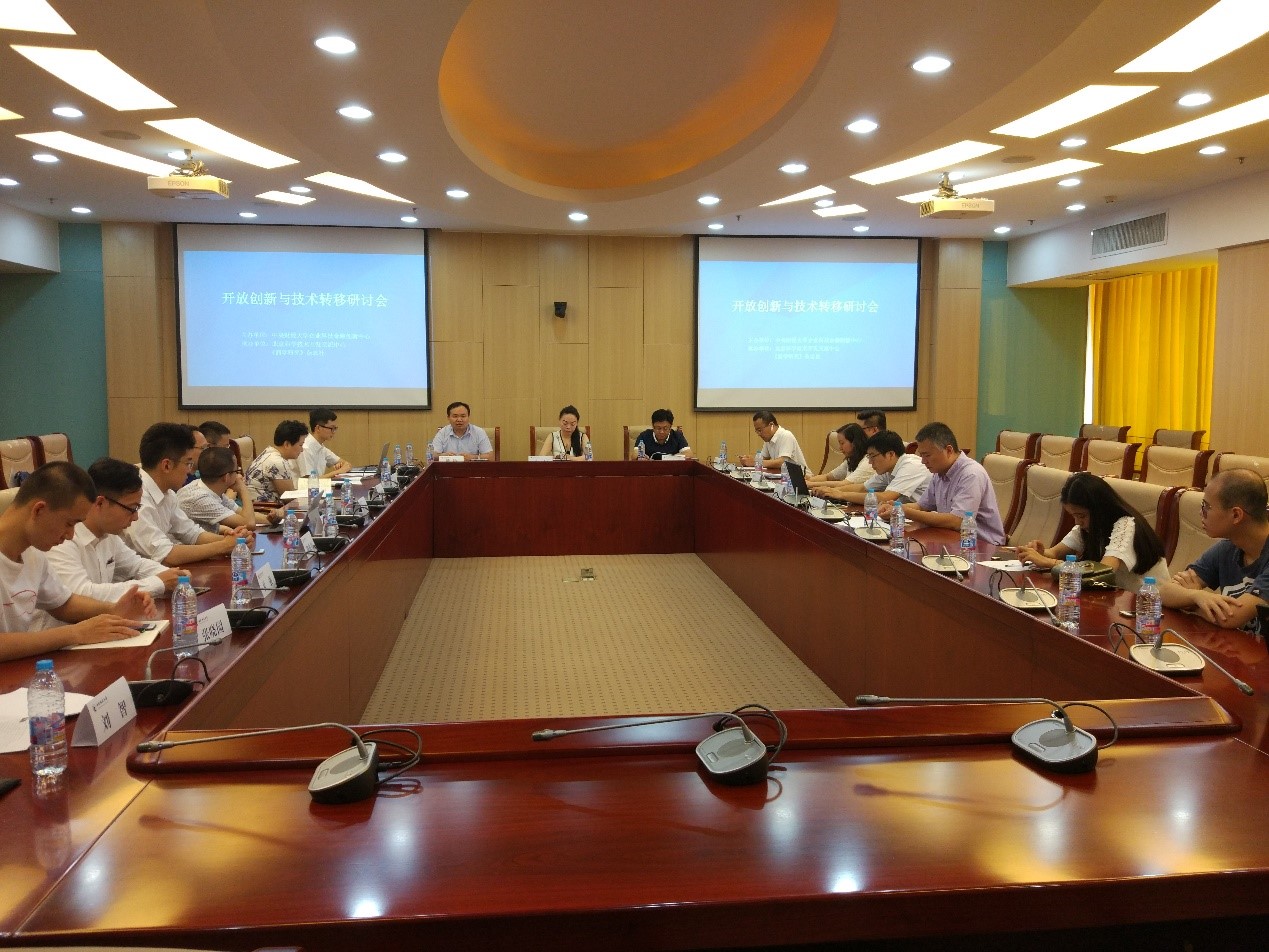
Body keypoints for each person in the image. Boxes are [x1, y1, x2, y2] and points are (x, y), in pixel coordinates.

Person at [0, 461, 153, 662]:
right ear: (39, 510)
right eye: (69, 523)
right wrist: (75, 633)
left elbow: (63, 603)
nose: (71, 535)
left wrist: (112, 609)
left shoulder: (33, 554)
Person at [45, 457, 183, 606]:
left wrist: (174, 576)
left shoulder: (109, 534)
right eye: (132, 508)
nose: (136, 517)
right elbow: (82, 593)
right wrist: (158, 583)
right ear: (100, 503)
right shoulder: (62, 538)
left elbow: (136, 566)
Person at [1016, 471, 1169, 592]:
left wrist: (1048, 562)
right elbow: (1054, 553)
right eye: (1074, 516)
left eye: (1081, 516)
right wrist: (1040, 553)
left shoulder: (1126, 525)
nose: (1077, 522)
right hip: (1117, 598)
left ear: (1099, 509)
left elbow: (1103, 570)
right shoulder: (1089, 527)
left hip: (1150, 604)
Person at [1161, 469, 1269, 632]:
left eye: (1206, 507)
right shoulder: (1227, 548)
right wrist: (1197, 596)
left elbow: (1230, 617)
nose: (1201, 513)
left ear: (1236, 515)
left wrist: (1189, 602)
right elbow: (1164, 592)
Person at [126, 422, 248, 566]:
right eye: (188, 463)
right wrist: (224, 546)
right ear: (167, 465)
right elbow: (167, 555)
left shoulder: (168, 493)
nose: (190, 471)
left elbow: (191, 533)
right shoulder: (135, 498)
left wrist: (237, 541)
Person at [880, 422, 1006, 545]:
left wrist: (904, 511)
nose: (923, 461)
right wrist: (894, 508)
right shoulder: (939, 472)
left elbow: (957, 521)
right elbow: (922, 506)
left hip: (981, 545)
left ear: (949, 450)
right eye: (921, 455)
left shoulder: (971, 474)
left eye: (927, 455)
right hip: (952, 539)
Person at [177, 446, 277, 531]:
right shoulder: (200, 499)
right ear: (226, 477)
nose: (239, 476)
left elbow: (240, 513)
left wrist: (274, 519)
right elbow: (249, 523)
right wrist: (243, 488)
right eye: (236, 471)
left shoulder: (210, 489)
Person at [820, 430, 930, 505]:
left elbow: (885, 497)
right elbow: (863, 488)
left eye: (872, 456)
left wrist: (841, 495)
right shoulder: (888, 468)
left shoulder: (911, 465)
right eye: (868, 456)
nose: (870, 462)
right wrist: (831, 491)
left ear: (890, 454)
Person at [244, 420, 308, 505]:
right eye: (300, 445)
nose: (302, 450)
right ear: (287, 444)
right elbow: (289, 498)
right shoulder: (277, 462)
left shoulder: (268, 452)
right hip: (265, 509)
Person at [808, 423, 874, 487]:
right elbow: (827, 477)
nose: (840, 448)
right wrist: (808, 480)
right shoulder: (851, 459)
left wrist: (811, 484)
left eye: (842, 443)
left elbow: (844, 484)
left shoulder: (868, 462)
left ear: (854, 443)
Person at [739, 410, 808, 472]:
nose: (759, 434)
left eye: (760, 430)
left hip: (803, 477)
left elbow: (781, 462)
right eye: (757, 431)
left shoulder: (786, 435)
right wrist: (748, 460)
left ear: (771, 425)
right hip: (783, 476)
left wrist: (755, 462)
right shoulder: (768, 439)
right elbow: (763, 458)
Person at [298, 407, 352, 478]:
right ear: (318, 428)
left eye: (335, 428)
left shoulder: (321, 448)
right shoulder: (305, 448)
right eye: (331, 428)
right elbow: (309, 481)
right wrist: (338, 472)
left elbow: (347, 464)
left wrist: (341, 465)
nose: (334, 432)